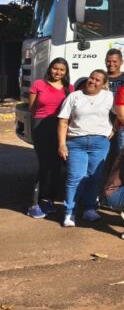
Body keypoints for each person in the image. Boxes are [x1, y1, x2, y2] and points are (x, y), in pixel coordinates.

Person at [57, 70, 113, 227]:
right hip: (76, 142)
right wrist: (62, 144)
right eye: (91, 78)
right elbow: (63, 121)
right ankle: (69, 212)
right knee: (75, 177)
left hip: (100, 142)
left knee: (94, 177)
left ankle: (89, 209)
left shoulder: (109, 96)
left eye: (97, 80)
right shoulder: (74, 96)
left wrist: (114, 129)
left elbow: (120, 114)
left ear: (103, 84)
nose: (92, 81)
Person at [27, 58, 73, 219]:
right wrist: (40, 123)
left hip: (60, 128)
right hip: (42, 128)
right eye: (55, 68)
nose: (58, 72)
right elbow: (32, 110)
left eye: (62, 70)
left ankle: (49, 201)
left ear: (66, 72)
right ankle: (34, 204)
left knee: (57, 166)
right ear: (50, 69)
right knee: (44, 165)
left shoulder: (69, 89)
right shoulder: (38, 84)